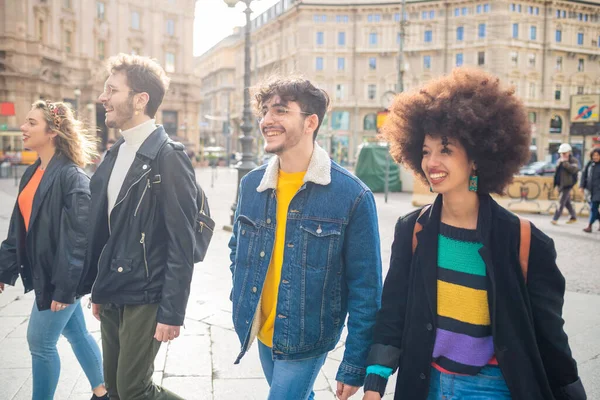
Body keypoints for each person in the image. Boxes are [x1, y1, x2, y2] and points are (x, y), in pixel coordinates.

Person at [362, 67, 586, 400]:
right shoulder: (412, 229)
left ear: (477, 159)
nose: (431, 162)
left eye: (446, 150)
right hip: (425, 385)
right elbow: (394, 311)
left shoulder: (525, 241)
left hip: (493, 388)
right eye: (425, 151)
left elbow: (550, 337)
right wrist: (375, 381)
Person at [228, 77, 382, 400]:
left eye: (281, 110)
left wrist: (355, 363)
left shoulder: (352, 195)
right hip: (263, 331)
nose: (267, 120)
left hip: (306, 337)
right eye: (265, 111)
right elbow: (236, 250)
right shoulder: (252, 184)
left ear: (311, 122)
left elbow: (366, 290)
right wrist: (241, 297)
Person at [79, 53, 198, 400]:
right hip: (115, 288)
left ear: (140, 99)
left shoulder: (168, 156)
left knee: (134, 389)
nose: (103, 98)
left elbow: (182, 242)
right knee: (114, 389)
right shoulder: (116, 152)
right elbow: (106, 229)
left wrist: (172, 312)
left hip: (148, 292)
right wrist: (99, 289)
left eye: (112, 90)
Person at [0, 100, 107, 400]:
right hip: (49, 273)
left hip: (60, 279)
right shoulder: (33, 172)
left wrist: (65, 289)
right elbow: (18, 230)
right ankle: (103, 391)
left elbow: (79, 239)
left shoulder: (72, 177)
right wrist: (3, 269)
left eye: (31, 123)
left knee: (39, 341)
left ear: (52, 132)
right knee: (75, 332)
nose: (23, 127)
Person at [551, 143, 580, 225]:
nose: (563, 155)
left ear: (569, 152)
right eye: (561, 153)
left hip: (568, 185)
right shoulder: (559, 161)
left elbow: (573, 170)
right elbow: (557, 173)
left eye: (564, 153)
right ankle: (573, 216)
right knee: (567, 202)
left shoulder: (573, 160)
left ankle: (555, 218)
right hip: (560, 185)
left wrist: (565, 162)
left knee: (561, 202)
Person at [580, 148, 600, 233]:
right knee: (594, 208)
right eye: (594, 155)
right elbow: (583, 175)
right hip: (589, 191)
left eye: (597, 155)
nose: (595, 157)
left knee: (593, 208)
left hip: (598, 191)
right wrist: (581, 186)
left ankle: (589, 226)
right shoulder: (589, 164)